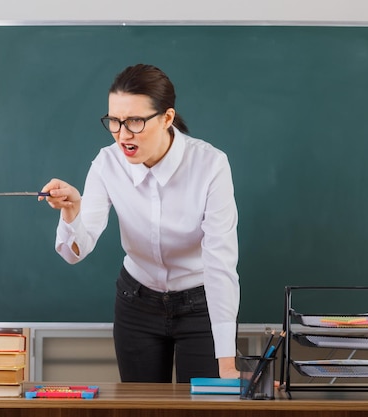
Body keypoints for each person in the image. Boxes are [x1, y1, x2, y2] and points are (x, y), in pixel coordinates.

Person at [39, 63, 240, 383]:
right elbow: (75, 250)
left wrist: (227, 363)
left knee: (205, 406)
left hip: (201, 306)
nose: (122, 134)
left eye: (134, 121)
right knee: (141, 408)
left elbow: (220, 263)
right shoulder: (106, 163)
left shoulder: (210, 165)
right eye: (114, 122)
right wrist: (71, 211)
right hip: (137, 304)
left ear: (167, 118)